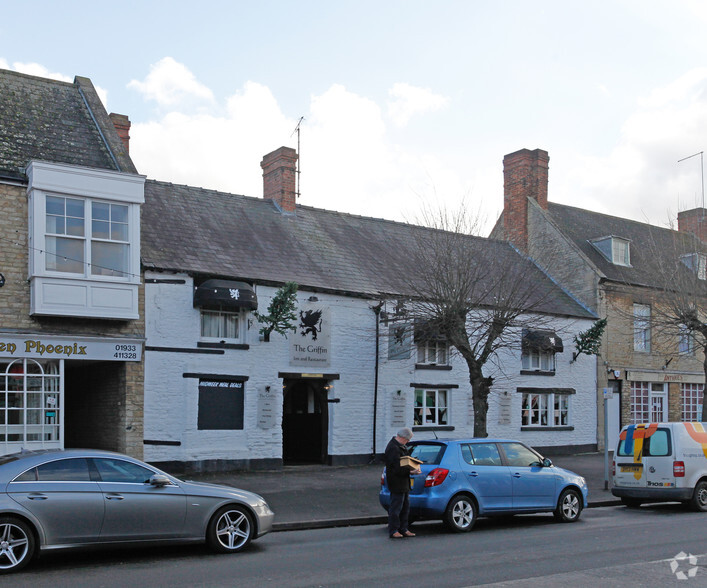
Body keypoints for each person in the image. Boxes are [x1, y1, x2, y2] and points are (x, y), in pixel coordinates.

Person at [384, 427, 421, 538]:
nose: (408, 442)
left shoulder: (400, 446)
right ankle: (394, 529)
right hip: (396, 482)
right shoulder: (393, 448)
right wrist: (411, 471)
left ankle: (403, 528)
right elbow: (396, 467)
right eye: (407, 439)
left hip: (404, 482)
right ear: (402, 437)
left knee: (405, 507)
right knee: (396, 508)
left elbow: (404, 461)